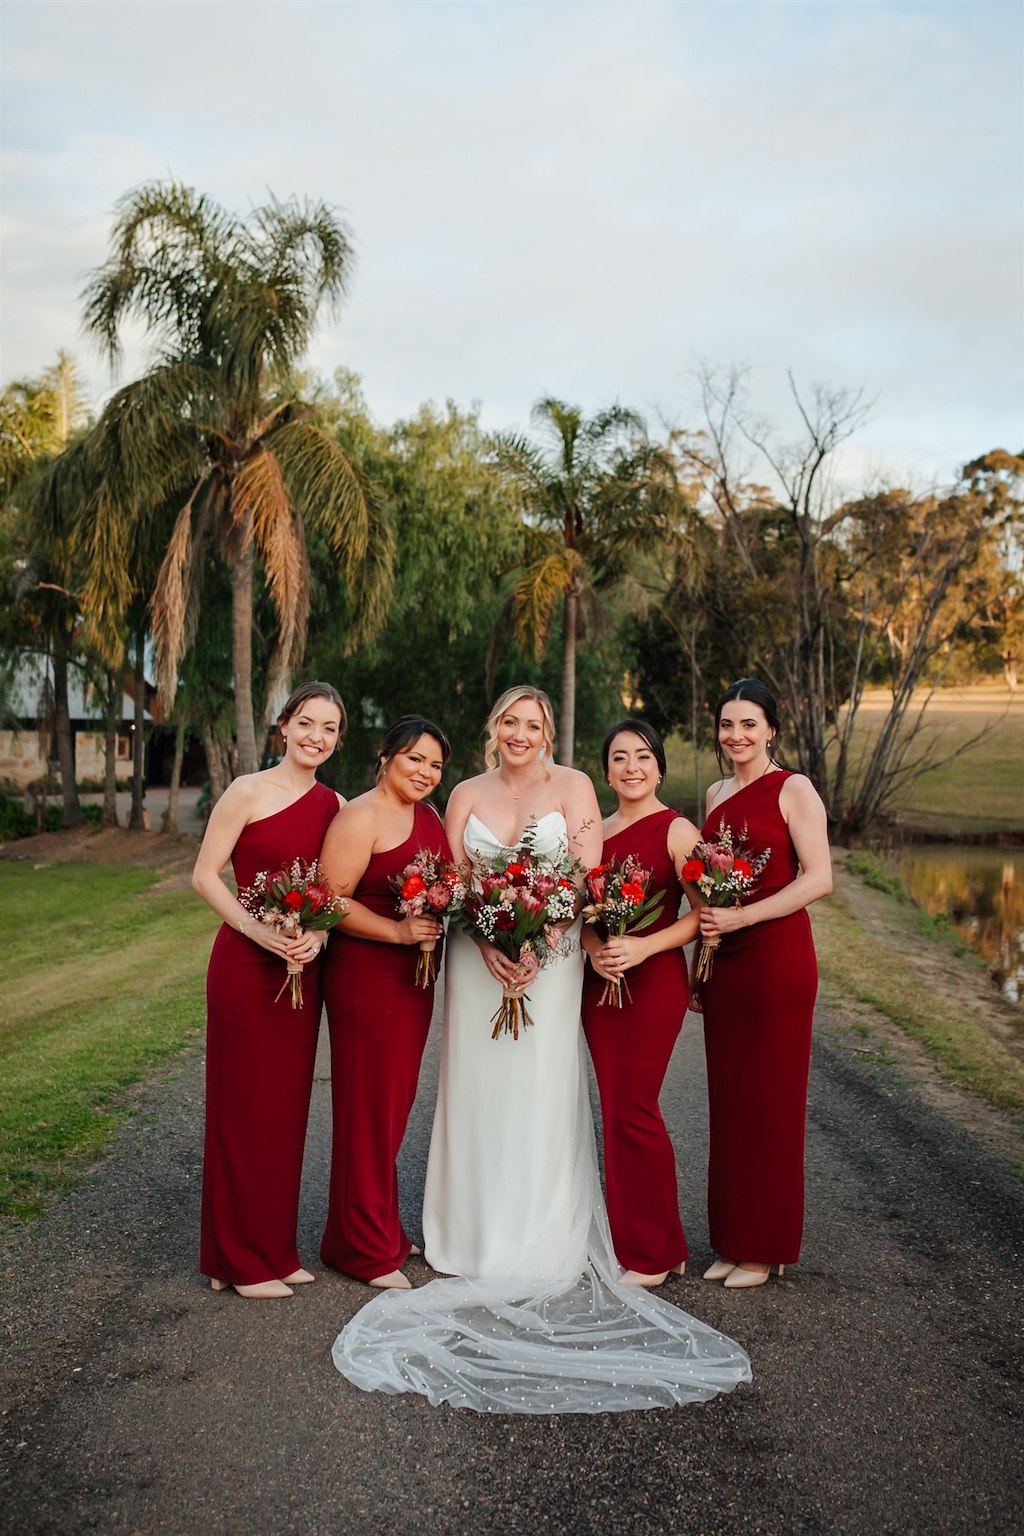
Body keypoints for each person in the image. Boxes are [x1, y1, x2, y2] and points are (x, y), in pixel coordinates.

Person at [330, 687, 752, 1414]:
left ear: (548, 733)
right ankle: (467, 1234)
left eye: (532, 724)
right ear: (494, 729)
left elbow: (584, 879)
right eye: (509, 722)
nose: (520, 734)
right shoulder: (463, 793)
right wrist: (490, 942)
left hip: (552, 966)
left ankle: (543, 1236)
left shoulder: (576, 787)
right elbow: (454, 882)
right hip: (477, 963)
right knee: (477, 1089)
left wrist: (541, 941)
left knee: (538, 1088)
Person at [193, 681, 346, 1300]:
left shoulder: (336, 806)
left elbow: (338, 890)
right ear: (283, 725)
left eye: (329, 728)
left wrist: (320, 937)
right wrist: (256, 929)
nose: (316, 736)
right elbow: (204, 876)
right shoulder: (246, 791)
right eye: (306, 723)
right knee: (242, 1110)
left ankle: (273, 1250)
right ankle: (237, 1260)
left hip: (299, 973)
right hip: (245, 966)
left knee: (283, 1113)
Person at [697, 678, 832, 1290]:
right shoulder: (715, 792)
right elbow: (709, 881)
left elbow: (819, 878)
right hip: (725, 959)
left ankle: (765, 1247)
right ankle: (733, 1239)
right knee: (730, 1101)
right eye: (728, 724)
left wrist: (745, 917)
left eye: (749, 724)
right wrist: (703, 955)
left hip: (776, 956)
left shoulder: (793, 788)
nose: (737, 735)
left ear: (771, 730)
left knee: (772, 1103)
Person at [318, 716, 453, 1290]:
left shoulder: (429, 817)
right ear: (386, 756)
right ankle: (362, 1249)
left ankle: (374, 1228)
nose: (425, 772)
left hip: (412, 981)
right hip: (367, 978)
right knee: (367, 1108)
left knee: (391, 1107)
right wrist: (397, 933)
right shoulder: (359, 817)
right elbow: (328, 900)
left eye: (435, 764)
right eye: (414, 758)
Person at [581, 719, 702, 1287]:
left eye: (643, 757)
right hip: (601, 985)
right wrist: (595, 951)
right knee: (615, 1108)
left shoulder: (677, 831)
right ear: (606, 771)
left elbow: (704, 914)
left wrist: (644, 946)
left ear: (659, 767)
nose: (631, 767)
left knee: (635, 1107)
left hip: (654, 982)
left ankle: (652, 1252)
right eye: (620, 758)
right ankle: (656, 1242)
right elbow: (578, 914)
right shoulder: (592, 834)